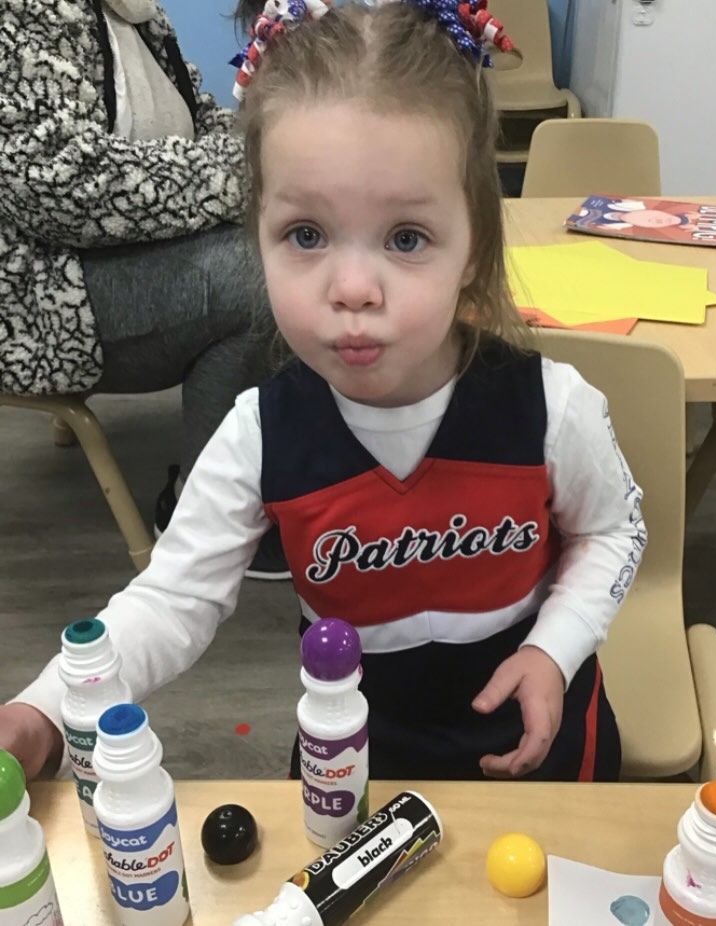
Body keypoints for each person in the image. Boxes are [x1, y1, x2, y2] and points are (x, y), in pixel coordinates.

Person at [0, 0, 648, 783]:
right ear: (258, 235)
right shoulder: (259, 436)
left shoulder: (553, 409)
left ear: (475, 246)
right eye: (305, 236)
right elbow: (172, 600)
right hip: (358, 766)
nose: (351, 289)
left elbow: (614, 533)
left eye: (406, 239)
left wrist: (556, 647)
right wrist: (41, 708)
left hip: (546, 757)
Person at [0, 0, 287, 577]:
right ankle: (203, 514)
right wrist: (246, 174)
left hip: (104, 256)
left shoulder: (137, 13)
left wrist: (260, 165)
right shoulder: (20, 13)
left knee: (286, 246)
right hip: (39, 298)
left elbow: (201, 121)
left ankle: (272, 460)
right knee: (259, 282)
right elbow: (60, 189)